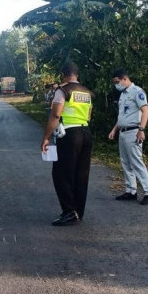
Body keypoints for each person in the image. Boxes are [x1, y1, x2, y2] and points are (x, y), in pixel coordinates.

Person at [41, 62, 93, 225]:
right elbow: (89, 115)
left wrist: (46, 137)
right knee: (81, 174)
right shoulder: (87, 92)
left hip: (69, 135)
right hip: (86, 133)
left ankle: (69, 212)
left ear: (63, 75)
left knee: (61, 174)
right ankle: (78, 211)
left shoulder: (62, 91)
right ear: (76, 75)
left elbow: (55, 115)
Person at [107, 68, 148, 205]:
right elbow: (122, 116)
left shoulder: (137, 92)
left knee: (136, 162)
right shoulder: (123, 94)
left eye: (117, 82)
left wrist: (142, 129)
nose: (116, 85)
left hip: (134, 131)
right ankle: (131, 190)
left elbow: (145, 111)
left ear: (125, 79)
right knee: (125, 162)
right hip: (123, 132)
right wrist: (114, 129)